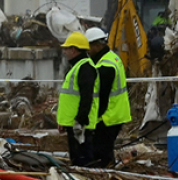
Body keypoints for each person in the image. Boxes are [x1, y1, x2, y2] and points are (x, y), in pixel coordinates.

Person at [85, 26, 130, 167]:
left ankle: (104, 176)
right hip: (116, 113)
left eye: (89, 47)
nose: (87, 50)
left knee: (100, 153)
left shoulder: (105, 66)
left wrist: (93, 119)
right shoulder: (112, 57)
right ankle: (110, 171)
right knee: (106, 150)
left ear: (97, 46)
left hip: (108, 116)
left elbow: (102, 97)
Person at [56, 30, 97, 166]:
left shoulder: (85, 68)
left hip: (79, 125)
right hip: (74, 124)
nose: (64, 52)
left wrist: (80, 120)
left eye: (66, 48)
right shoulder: (78, 67)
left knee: (82, 161)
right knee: (76, 160)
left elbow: (87, 97)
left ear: (74, 50)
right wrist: (63, 121)